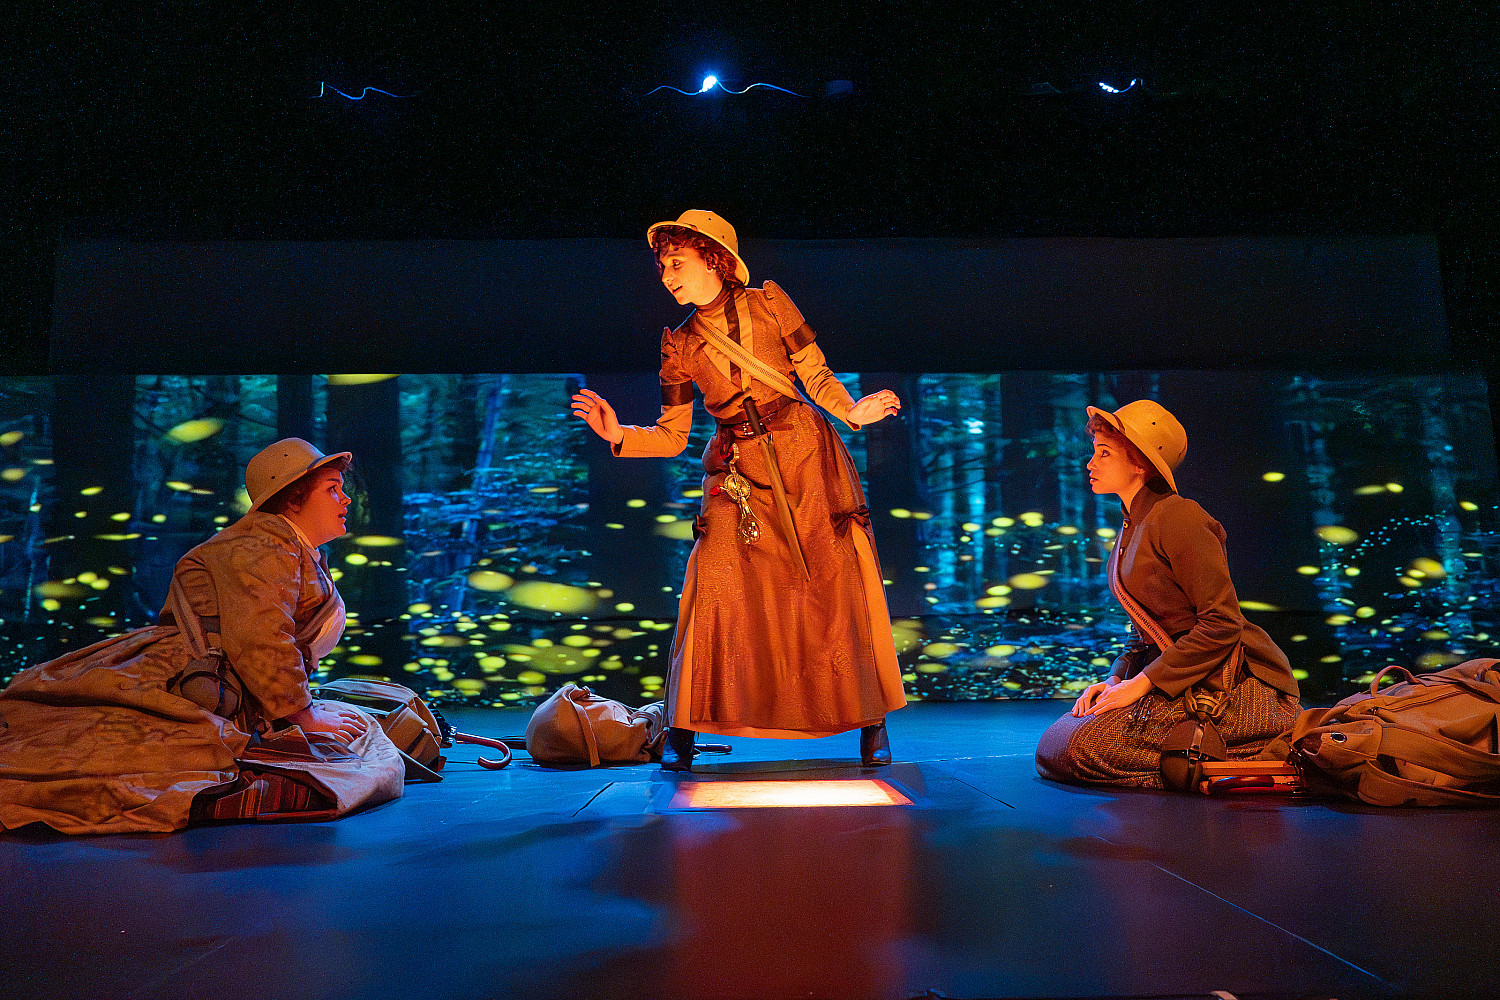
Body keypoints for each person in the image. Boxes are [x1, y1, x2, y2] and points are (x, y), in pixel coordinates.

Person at [571, 210, 907, 769]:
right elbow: (673, 434)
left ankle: (870, 723)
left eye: (676, 263)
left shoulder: (771, 303)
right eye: (662, 267)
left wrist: (854, 410)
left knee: (830, 583)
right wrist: (618, 434)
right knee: (715, 589)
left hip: (804, 457)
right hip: (735, 467)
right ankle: (682, 730)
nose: (667, 277)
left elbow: (815, 374)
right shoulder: (678, 345)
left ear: (714, 258)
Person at [0, 438, 405, 834]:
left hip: (226, 683)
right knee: (101, 757)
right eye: (332, 490)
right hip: (192, 678)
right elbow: (261, 637)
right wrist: (303, 715)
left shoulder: (290, 547)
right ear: (291, 498)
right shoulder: (260, 546)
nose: (345, 500)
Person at [1035, 400, 1301, 788]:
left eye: (1104, 453)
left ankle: (1241, 751)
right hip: (1174, 675)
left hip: (1228, 686)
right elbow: (1144, 628)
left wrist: (1143, 683)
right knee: (1058, 744)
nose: (1090, 464)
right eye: (1095, 452)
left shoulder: (1179, 516)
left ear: (1140, 462)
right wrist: (1117, 679)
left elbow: (1222, 622)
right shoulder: (1133, 525)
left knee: (1080, 750)